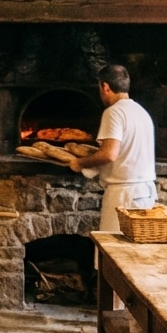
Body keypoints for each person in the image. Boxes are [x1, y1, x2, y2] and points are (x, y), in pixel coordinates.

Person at [68, 64, 156, 233]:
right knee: (135, 247)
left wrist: (80, 163)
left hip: (124, 194)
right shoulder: (141, 112)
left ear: (105, 87)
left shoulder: (114, 112)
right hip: (145, 192)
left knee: (112, 246)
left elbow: (109, 154)